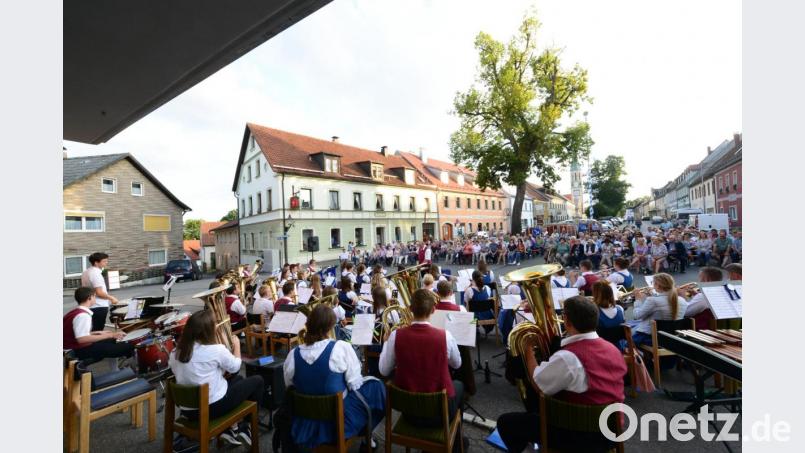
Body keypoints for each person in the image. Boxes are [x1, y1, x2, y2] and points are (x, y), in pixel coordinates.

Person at [496, 296, 627, 453]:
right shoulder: (612, 349)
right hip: (612, 431)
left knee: (506, 423)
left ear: (567, 320)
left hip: (579, 436)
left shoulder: (568, 358)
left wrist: (528, 350)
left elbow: (538, 384)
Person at [284, 305, 386, 449]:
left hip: (304, 423)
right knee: (376, 387)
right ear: (331, 326)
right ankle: (365, 436)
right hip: (336, 423)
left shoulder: (292, 355)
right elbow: (354, 384)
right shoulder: (341, 347)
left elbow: (290, 387)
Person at [379, 289, 465, 448]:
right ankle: (456, 442)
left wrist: (386, 342)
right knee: (459, 385)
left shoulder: (395, 335)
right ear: (433, 310)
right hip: (439, 412)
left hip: (408, 410)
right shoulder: (445, 336)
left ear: (410, 309)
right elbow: (457, 364)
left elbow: (383, 371)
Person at [169, 310, 263, 447]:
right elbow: (236, 366)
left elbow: (189, 371)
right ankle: (245, 428)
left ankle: (230, 429)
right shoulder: (216, 350)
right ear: (207, 331)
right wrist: (236, 346)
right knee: (258, 381)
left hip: (188, 411)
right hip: (211, 408)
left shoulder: (175, 352)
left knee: (238, 380)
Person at [64, 287, 133, 361]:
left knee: (113, 340)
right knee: (128, 346)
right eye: (94, 296)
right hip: (77, 350)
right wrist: (110, 335)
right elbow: (81, 339)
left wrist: (97, 332)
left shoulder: (76, 312)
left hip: (76, 347)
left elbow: (78, 333)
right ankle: (131, 370)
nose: (95, 298)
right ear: (89, 298)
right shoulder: (83, 315)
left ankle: (116, 369)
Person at [631, 273, 689, 346]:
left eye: (653, 283)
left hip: (652, 338)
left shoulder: (652, 301)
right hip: (674, 338)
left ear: (658, 285)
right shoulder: (682, 300)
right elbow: (663, 302)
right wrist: (652, 296)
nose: (653, 286)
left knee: (626, 333)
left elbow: (637, 316)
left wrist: (638, 300)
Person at [81, 252, 119, 332]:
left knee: (94, 329)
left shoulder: (86, 272)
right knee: (98, 330)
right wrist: (111, 298)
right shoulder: (95, 273)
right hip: (98, 305)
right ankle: (97, 343)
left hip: (90, 304)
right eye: (104, 261)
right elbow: (99, 292)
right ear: (96, 262)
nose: (106, 263)